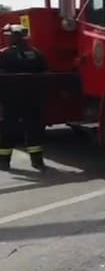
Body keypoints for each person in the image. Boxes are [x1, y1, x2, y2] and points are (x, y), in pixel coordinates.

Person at [0, 24, 48, 173]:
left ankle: (3, 162)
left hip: (10, 100)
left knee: (8, 130)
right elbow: (45, 73)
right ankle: (37, 162)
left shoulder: (4, 54)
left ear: (13, 37)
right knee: (34, 129)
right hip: (33, 99)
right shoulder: (37, 54)